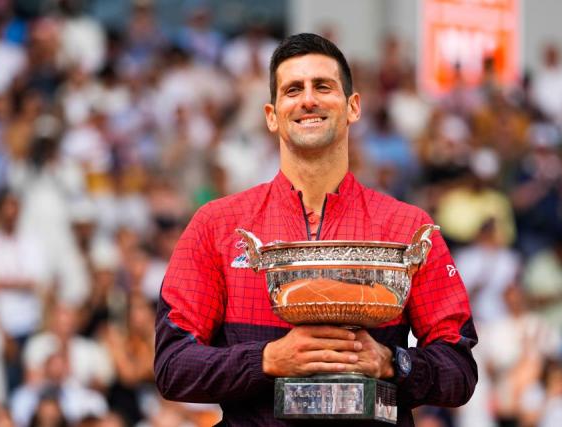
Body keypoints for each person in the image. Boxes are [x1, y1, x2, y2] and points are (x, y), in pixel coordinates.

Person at [153, 33, 478, 426]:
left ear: (353, 107)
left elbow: (459, 371)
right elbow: (172, 366)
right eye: (293, 89)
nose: (308, 99)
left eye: (323, 86)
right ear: (271, 115)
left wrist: (392, 362)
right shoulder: (218, 225)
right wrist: (267, 359)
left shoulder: (408, 227)